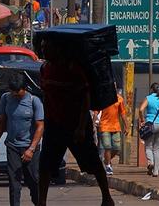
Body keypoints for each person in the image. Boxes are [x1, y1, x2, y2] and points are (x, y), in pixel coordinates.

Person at [37, 39, 114, 206]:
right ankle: (41, 201)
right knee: (45, 164)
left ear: (57, 49)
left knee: (92, 161)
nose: (44, 51)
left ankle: (107, 197)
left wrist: (80, 127)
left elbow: (85, 97)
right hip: (54, 124)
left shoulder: (72, 68)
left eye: (47, 47)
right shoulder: (44, 69)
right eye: (42, 47)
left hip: (76, 125)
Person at [0, 73, 44, 206]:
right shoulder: (6, 98)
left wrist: (31, 149)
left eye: (18, 92)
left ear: (25, 88)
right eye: (13, 92)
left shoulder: (34, 101)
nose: (15, 94)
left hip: (30, 147)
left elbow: (40, 127)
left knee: (34, 180)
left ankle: (39, 202)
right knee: (14, 182)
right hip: (13, 146)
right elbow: (1, 121)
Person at [138, 85, 159, 177]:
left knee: (148, 146)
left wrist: (142, 120)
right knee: (157, 149)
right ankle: (156, 172)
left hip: (150, 125)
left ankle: (151, 162)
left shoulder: (148, 98)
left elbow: (141, 110)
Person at [96, 89, 127, 175]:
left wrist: (126, 126)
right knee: (107, 147)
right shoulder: (102, 98)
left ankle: (106, 160)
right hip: (104, 126)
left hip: (116, 127)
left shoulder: (119, 99)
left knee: (117, 148)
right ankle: (108, 166)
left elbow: (123, 113)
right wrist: (93, 124)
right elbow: (96, 111)